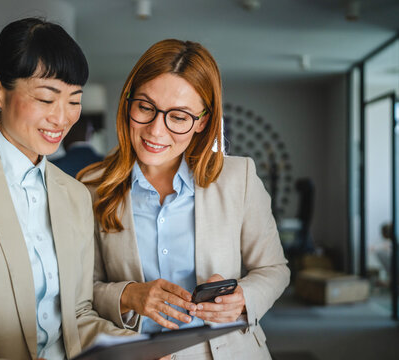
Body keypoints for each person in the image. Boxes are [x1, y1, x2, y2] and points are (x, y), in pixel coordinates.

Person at [0, 18, 134, 360]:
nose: (62, 118)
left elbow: (78, 318)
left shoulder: (75, 194)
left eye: (74, 100)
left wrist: (135, 349)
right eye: (46, 98)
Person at [78, 39, 290, 359]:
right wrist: (130, 295)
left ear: (202, 121)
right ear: (128, 102)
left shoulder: (239, 177)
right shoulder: (92, 186)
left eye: (178, 117)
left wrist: (243, 296)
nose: (156, 132)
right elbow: (81, 292)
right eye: (146, 108)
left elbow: (275, 269)